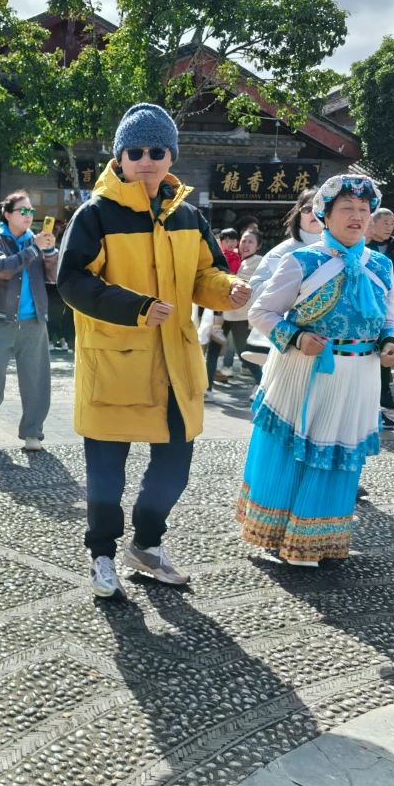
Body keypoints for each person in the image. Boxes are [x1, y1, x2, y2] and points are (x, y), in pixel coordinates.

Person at [57, 103, 248, 599]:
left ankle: (146, 544)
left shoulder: (189, 216)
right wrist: (137, 307)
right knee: (106, 475)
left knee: (174, 468)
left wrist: (227, 290)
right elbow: (72, 281)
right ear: (119, 157)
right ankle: (102, 553)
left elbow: (204, 274)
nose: (146, 159)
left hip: (175, 364)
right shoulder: (95, 215)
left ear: (171, 157)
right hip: (115, 363)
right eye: (135, 150)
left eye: (157, 151)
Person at [237, 175, 394, 567]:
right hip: (306, 371)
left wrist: (391, 341)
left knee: (339, 453)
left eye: (363, 209)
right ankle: (283, 535)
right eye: (347, 208)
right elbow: (261, 312)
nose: (357, 216)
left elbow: (389, 316)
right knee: (297, 450)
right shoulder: (302, 261)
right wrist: (296, 338)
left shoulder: (381, 265)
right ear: (325, 215)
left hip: (360, 375)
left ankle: (319, 537)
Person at [0, 191, 58, 450]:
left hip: (34, 322)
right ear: (7, 214)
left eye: (31, 211)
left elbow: (53, 277)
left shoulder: (36, 240)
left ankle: (32, 432)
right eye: (23, 211)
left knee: (36, 381)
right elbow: (1, 269)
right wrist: (34, 249)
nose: (29, 216)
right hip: (0, 320)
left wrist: (50, 252)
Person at [240, 188, 323, 369]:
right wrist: (287, 282)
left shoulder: (342, 251)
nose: (313, 213)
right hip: (290, 343)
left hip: (330, 345)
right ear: (298, 214)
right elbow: (255, 292)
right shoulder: (283, 252)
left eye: (320, 207)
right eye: (307, 209)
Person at [366, 208, 394, 426]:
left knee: (386, 356)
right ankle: (376, 408)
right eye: (384, 223)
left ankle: (384, 398)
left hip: (390, 309)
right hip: (367, 317)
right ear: (371, 223)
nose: (389, 227)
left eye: (392, 223)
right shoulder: (363, 249)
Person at [207, 227, 262, 391]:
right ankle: (207, 388)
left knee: (244, 354)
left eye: (251, 242)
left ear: (258, 246)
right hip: (223, 311)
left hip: (240, 316)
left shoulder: (258, 262)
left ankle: (262, 384)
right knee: (213, 351)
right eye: (244, 240)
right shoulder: (234, 257)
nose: (246, 244)